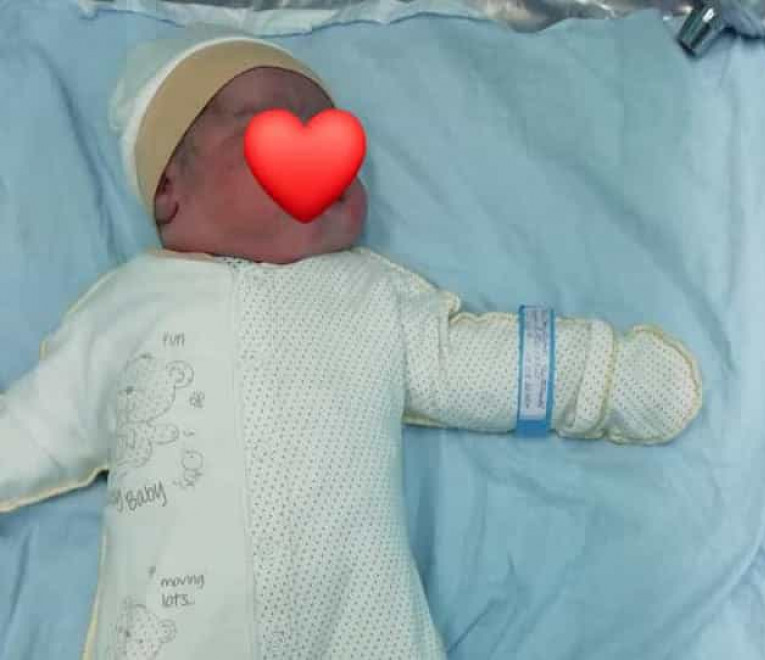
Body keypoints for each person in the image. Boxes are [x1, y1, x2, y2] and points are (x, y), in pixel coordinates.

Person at [0, 24, 703, 660]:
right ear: (169, 191)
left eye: (333, 131)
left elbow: (477, 364)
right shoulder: (130, 306)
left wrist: (607, 378)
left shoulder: (371, 295)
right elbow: (35, 429)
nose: (329, 151)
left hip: (361, 629)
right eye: (274, 122)